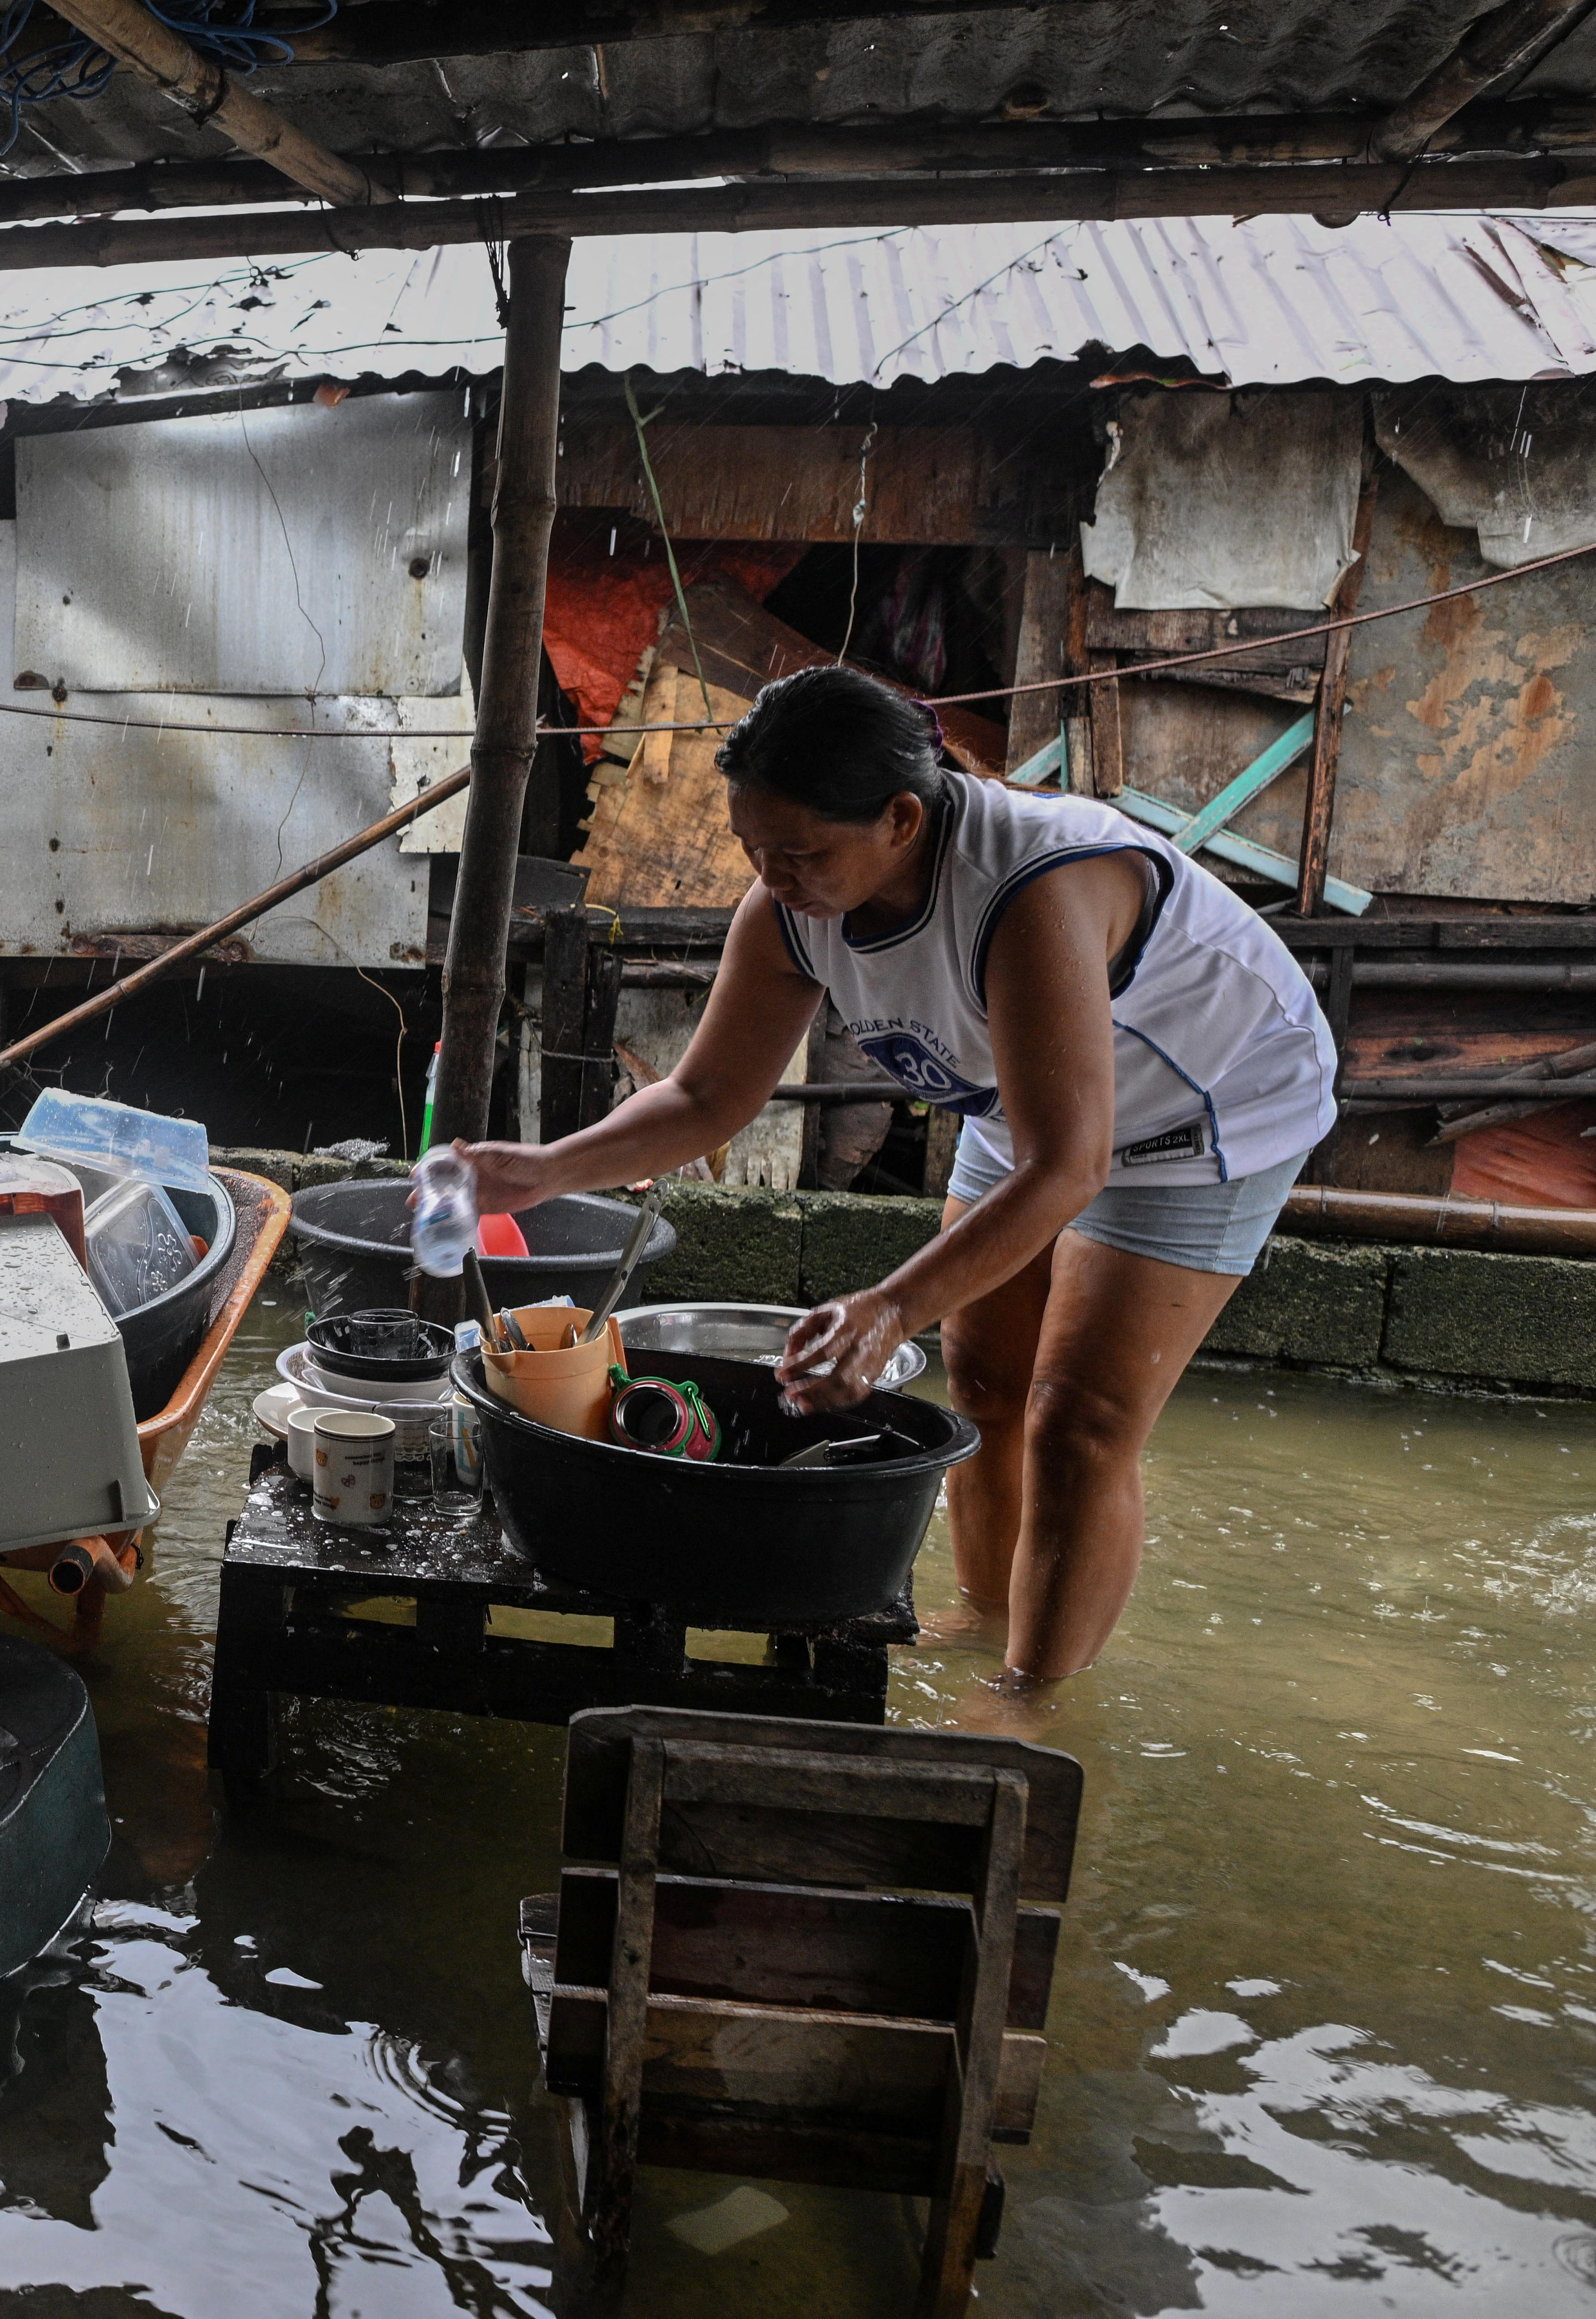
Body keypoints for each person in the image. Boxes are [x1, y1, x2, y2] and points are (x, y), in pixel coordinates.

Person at [460, 667, 1336, 1718]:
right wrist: (545, 1168)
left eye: (803, 854)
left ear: (901, 818)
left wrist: (888, 1306)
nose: (774, 877)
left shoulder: (1033, 888)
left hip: (1209, 1106)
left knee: (1079, 1419)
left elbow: (1070, 1167)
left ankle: (1031, 1697)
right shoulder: (794, 905)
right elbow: (704, 1098)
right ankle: (980, 1615)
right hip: (1029, 1103)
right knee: (983, 1382)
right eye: (755, 850)